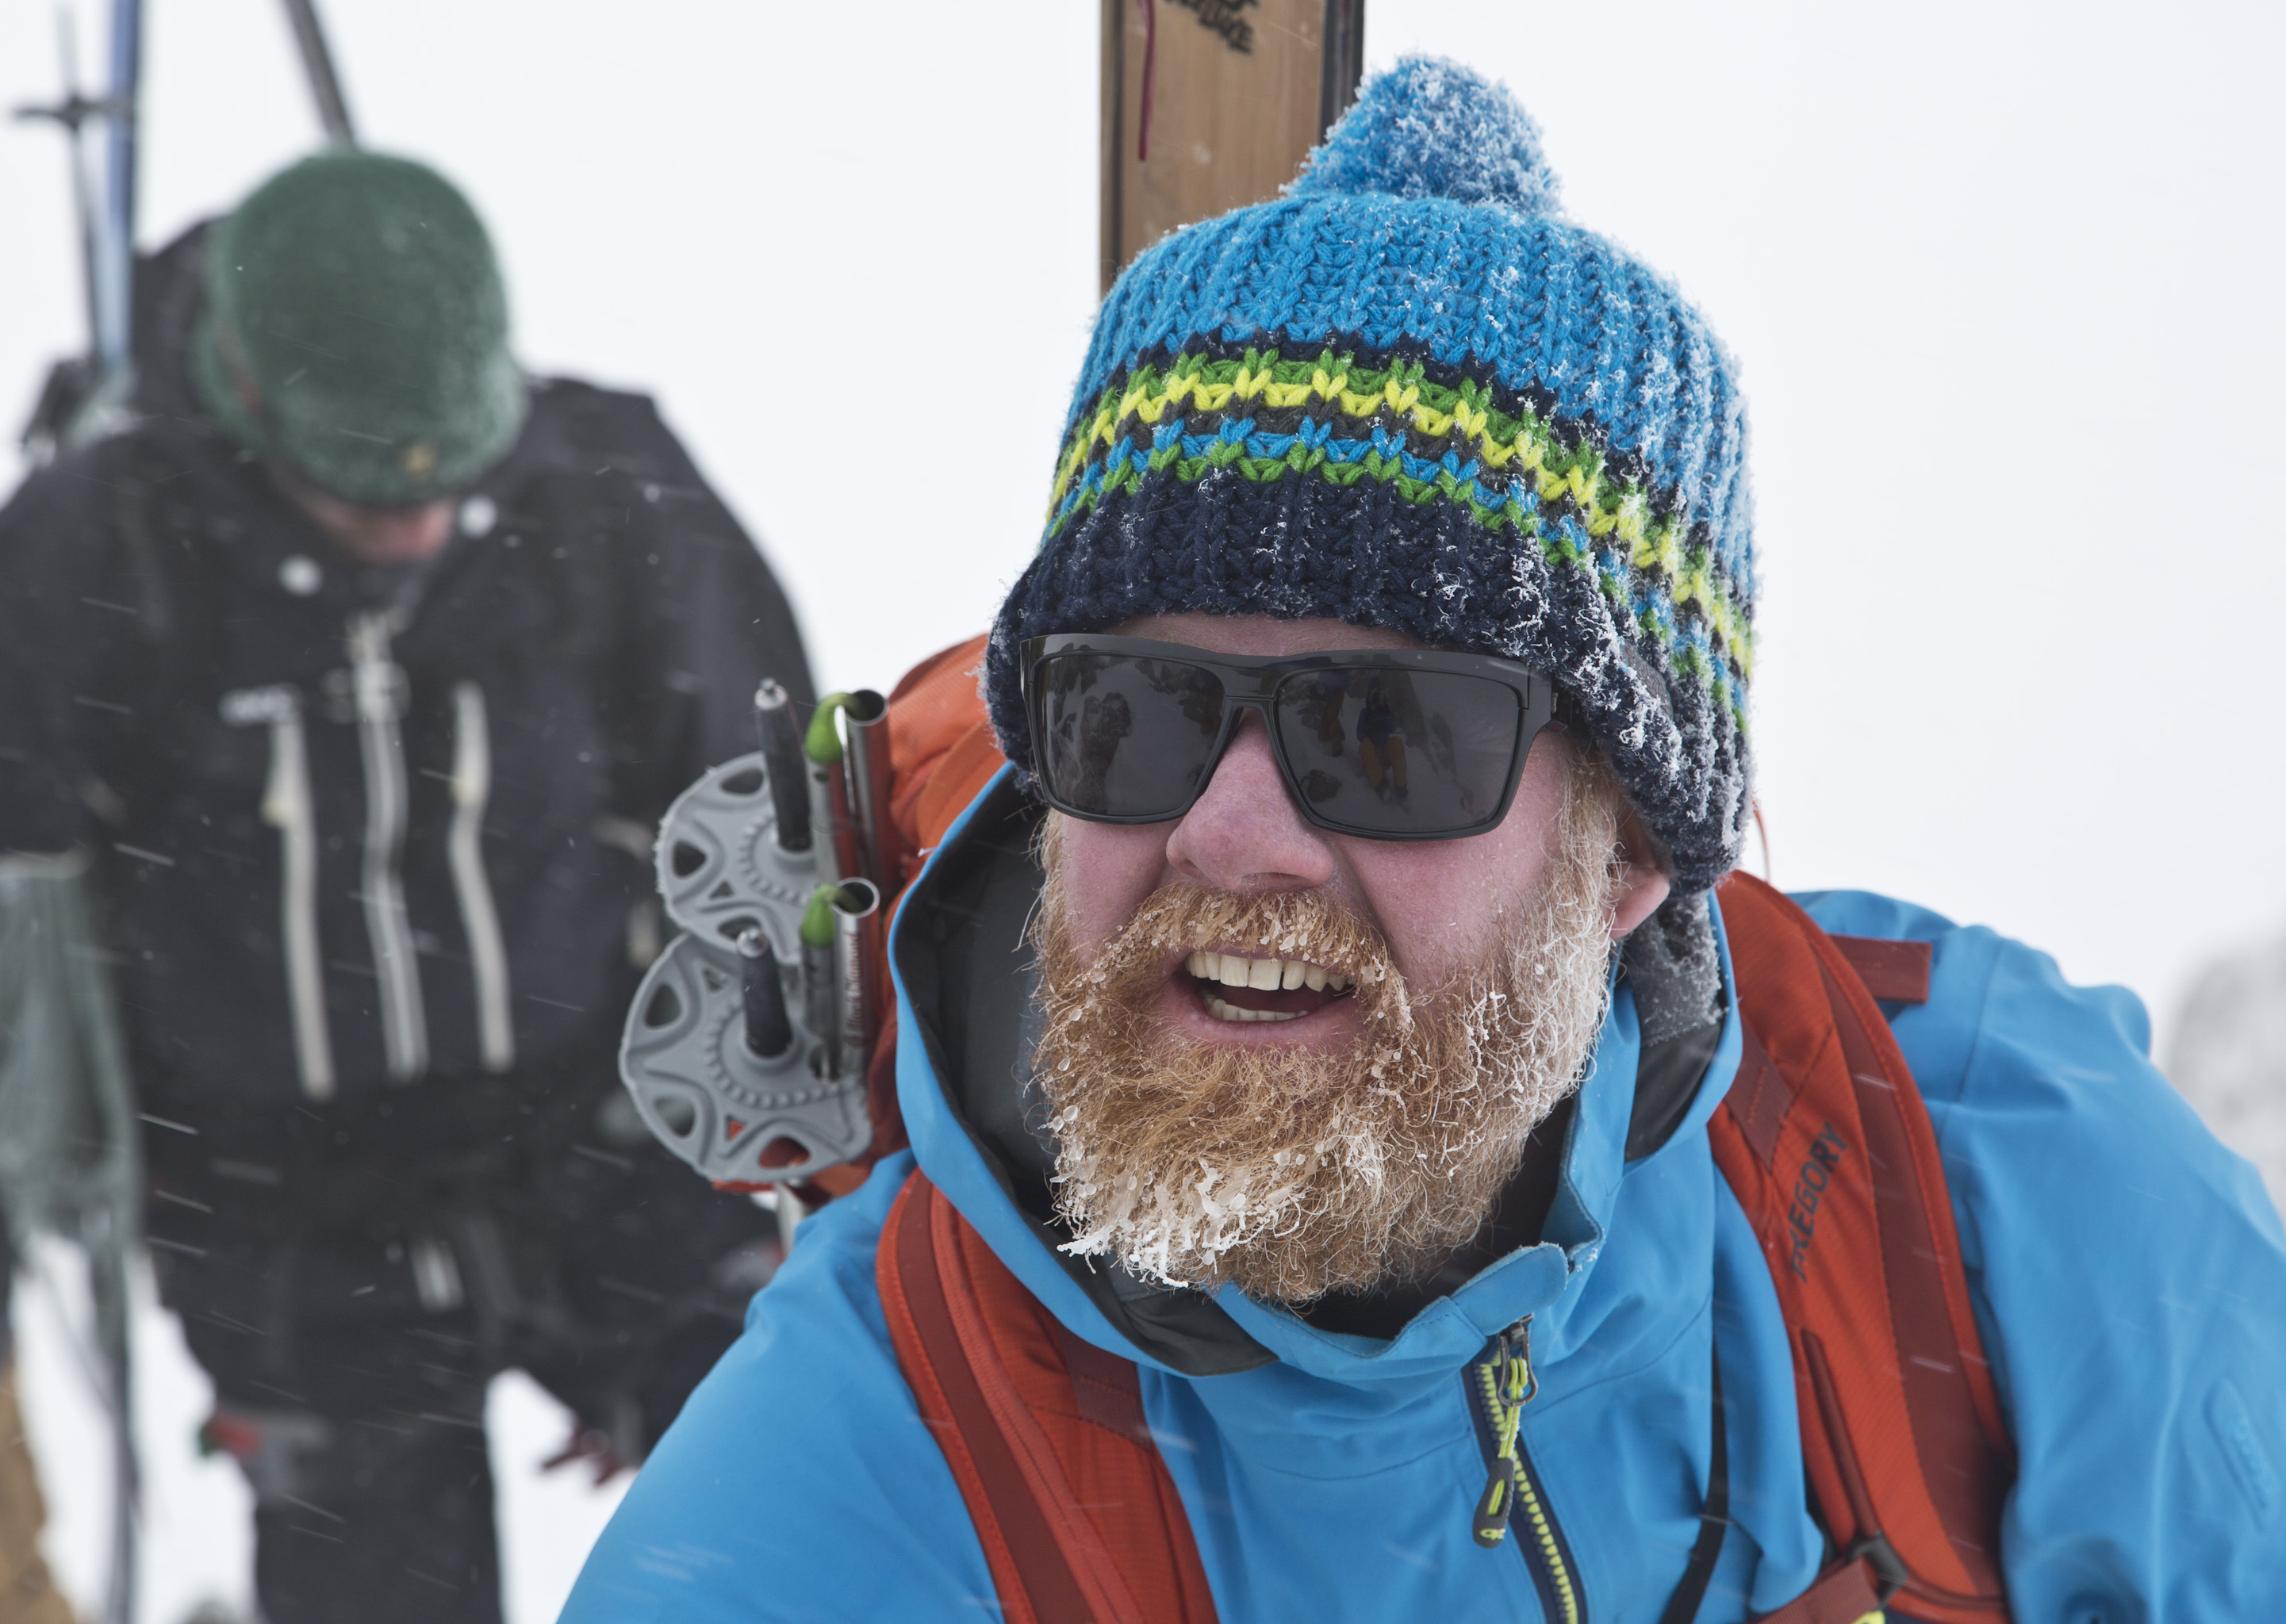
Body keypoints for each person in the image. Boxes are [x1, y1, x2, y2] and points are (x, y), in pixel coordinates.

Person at [562, 59, 2286, 1622]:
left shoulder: (1971, 1177)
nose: (1230, 832)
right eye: (1137, 714)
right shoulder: (866, 1475)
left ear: (1633, 854)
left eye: (1386, 734)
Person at [0, 148, 809, 1624]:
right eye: (364, 498)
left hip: (605, 1132)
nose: (421, 527)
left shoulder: (608, 495)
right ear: (247, 409)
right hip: (276, 1201)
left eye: (451, 483)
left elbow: (772, 819)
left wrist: (801, 1129)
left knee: (796, 1520)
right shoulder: (98, 547)